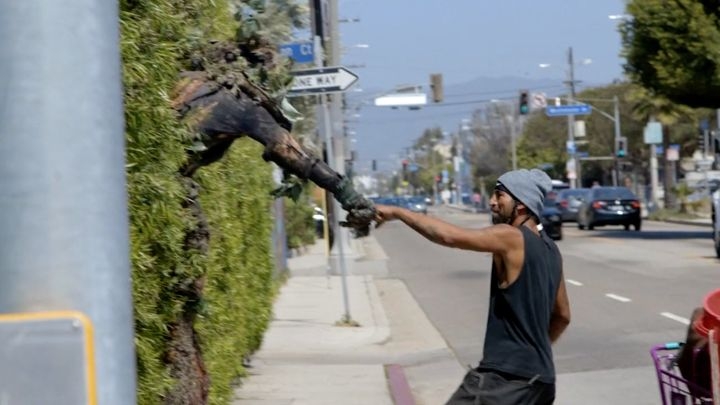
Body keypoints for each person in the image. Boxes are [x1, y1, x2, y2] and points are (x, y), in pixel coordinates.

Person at [369, 168, 571, 404]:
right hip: (542, 382)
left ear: (522, 205)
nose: (492, 202)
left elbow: (449, 236)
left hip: (505, 381)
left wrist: (397, 212)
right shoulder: (551, 250)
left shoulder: (511, 237)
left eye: (500, 196)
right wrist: (534, 351)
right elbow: (563, 315)